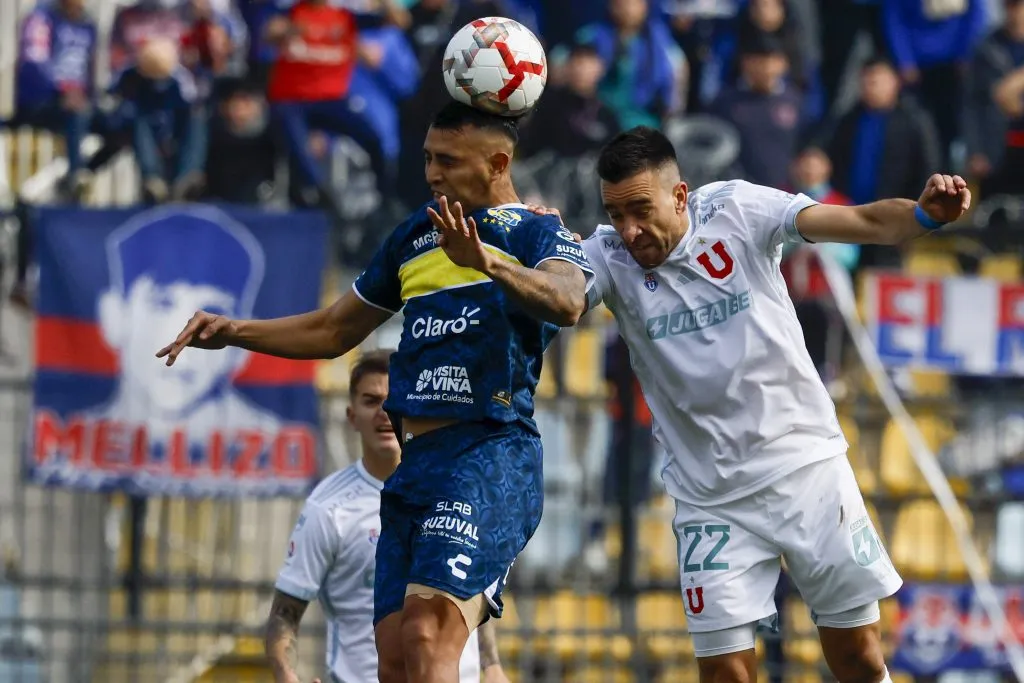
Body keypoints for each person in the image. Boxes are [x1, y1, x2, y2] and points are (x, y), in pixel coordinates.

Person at [156, 101, 592, 683]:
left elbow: (569, 301)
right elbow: (336, 330)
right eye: (427, 159)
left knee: (427, 634)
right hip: (416, 467)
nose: (432, 173)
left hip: (490, 453)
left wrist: (484, 260)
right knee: (393, 661)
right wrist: (234, 331)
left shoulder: (540, 230)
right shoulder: (415, 234)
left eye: (447, 160)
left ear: (497, 161)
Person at [532, 126, 970, 683]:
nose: (629, 229)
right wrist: (531, 246)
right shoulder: (608, 254)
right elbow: (564, 299)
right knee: (725, 676)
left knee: (858, 657)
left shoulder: (739, 210)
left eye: (640, 210)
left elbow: (859, 221)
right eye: (616, 214)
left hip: (805, 469)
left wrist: (925, 216)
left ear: (681, 195)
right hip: (709, 499)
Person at [264, 349, 509, 683]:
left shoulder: (454, 491)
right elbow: (284, 612)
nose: (384, 412)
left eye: (394, 399)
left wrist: (491, 665)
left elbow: (470, 590)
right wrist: (286, 672)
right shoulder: (329, 507)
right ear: (352, 416)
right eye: (371, 400)